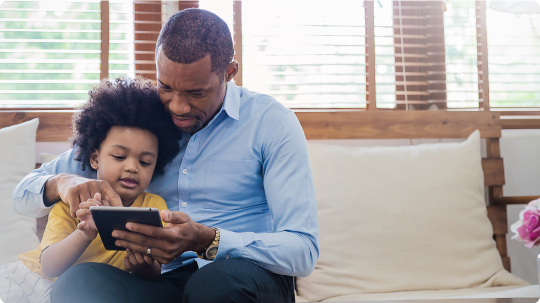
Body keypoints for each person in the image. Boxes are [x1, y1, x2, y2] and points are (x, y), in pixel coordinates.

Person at [12, 8, 319, 303]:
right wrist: (61, 183)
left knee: (212, 286)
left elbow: (303, 250)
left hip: (245, 277)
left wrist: (207, 240)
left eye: (196, 93)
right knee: (78, 282)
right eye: (166, 87)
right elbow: (21, 194)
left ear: (229, 72)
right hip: (163, 280)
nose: (177, 107)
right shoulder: (144, 123)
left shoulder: (272, 123)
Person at [2, 77, 180, 303]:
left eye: (145, 162)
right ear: (95, 157)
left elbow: (154, 272)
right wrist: (85, 232)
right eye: (119, 156)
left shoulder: (153, 207)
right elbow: (48, 266)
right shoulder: (73, 202)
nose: (132, 167)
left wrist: (143, 266)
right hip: (34, 280)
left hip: (97, 290)